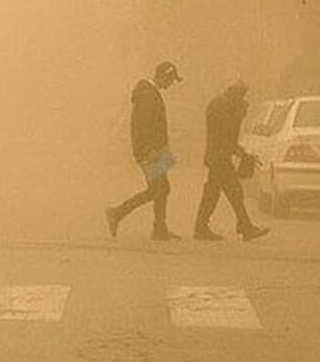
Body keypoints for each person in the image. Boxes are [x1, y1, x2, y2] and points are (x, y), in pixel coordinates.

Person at [106, 61, 183, 240]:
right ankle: (117, 213)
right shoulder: (148, 95)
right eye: (171, 80)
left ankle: (160, 228)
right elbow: (142, 126)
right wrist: (148, 151)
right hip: (152, 152)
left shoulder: (150, 93)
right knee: (159, 189)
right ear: (164, 76)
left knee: (161, 188)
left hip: (156, 150)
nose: (171, 84)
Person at [193, 80, 270, 241]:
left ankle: (207, 227)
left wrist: (242, 153)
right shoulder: (223, 107)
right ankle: (244, 227)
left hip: (219, 157)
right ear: (236, 93)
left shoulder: (223, 104)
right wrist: (239, 116)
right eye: (242, 96)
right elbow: (226, 136)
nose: (243, 101)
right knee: (231, 192)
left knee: (216, 193)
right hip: (219, 158)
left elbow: (228, 139)